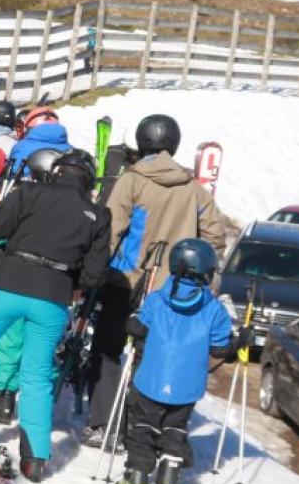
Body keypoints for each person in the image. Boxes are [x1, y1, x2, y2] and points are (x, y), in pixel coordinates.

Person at [0, 148, 113, 478]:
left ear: (56, 172)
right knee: (36, 375)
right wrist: (72, 280)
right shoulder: (97, 215)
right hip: (52, 295)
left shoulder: (30, 192)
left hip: (7, 283)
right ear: (88, 180)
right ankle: (34, 459)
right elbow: (94, 274)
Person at [83, 113, 229, 444]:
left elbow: (112, 228)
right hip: (173, 289)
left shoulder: (132, 180)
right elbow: (215, 236)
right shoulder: (194, 189)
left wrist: (97, 270)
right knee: (150, 354)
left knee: (109, 348)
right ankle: (141, 428)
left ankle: (104, 423)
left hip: (126, 279)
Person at [112, 239, 233, 484]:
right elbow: (221, 348)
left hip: (151, 381)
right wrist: (240, 341)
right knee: (174, 428)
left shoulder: (157, 300)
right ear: (207, 272)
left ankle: (136, 483)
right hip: (187, 388)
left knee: (143, 427)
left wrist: (132, 324)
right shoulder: (214, 310)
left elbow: (138, 327)